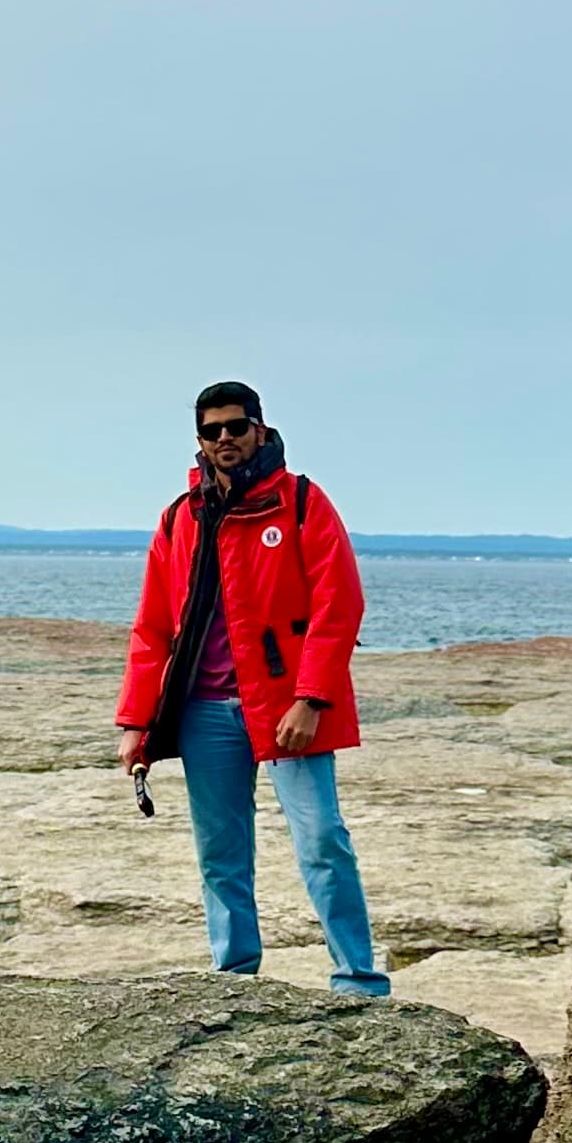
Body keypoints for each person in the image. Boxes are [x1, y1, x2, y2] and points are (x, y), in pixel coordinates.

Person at [114, 381, 390, 997]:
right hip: (203, 712)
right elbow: (152, 627)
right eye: (212, 432)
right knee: (220, 851)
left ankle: (359, 981)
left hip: (289, 709)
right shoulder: (179, 518)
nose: (225, 440)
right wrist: (137, 722)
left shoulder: (300, 502)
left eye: (235, 427)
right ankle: (234, 978)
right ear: (200, 441)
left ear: (259, 430)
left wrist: (311, 697)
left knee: (322, 840)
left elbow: (338, 604)